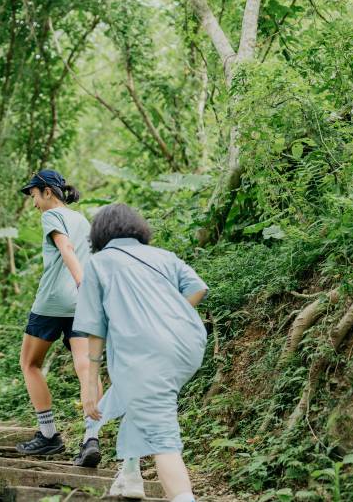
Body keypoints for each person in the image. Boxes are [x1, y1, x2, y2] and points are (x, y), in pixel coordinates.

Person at [73, 203, 208, 501]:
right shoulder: (163, 256)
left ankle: (183, 497)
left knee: (163, 437)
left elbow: (95, 329)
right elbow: (198, 287)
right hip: (187, 344)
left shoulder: (99, 263)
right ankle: (130, 476)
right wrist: (169, 318)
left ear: (99, 234)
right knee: (137, 394)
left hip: (145, 352)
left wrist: (90, 385)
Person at [15, 170, 103, 467]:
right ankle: (91, 437)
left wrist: (79, 280)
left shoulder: (52, 216)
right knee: (85, 365)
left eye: (34, 196)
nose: (34, 203)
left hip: (53, 302)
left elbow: (65, 248)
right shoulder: (83, 220)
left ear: (47, 193)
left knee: (29, 363)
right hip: (83, 304)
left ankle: (49, 435)